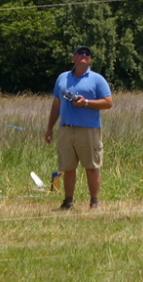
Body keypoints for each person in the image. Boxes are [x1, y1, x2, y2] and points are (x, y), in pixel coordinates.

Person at [45, 46, 113, 210]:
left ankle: (94, 201)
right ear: (73, 57)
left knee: (91, 167)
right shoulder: (62, 78)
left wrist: (86, 103)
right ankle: (68, 201)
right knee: (68, 168)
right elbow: (56, 104)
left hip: (89, 129)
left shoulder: (97, 79)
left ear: (89, 59)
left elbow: (108, 102)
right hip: (66, 129)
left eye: (87, 54)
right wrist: (49, 128)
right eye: (80, 53)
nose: (84, 56)